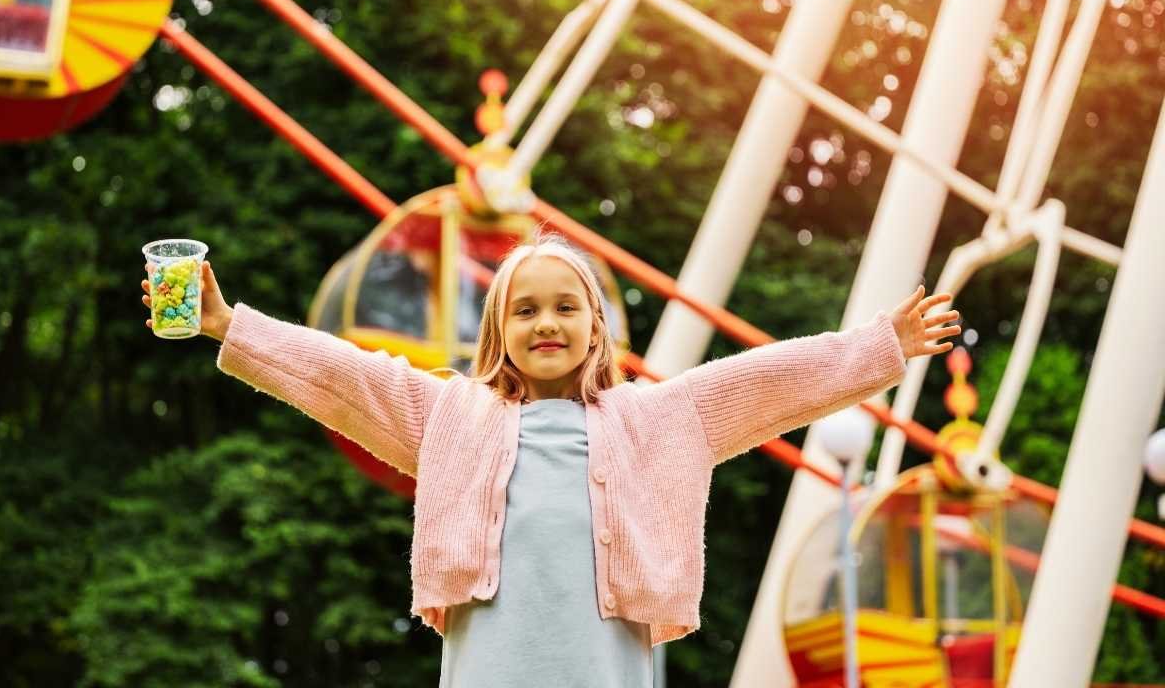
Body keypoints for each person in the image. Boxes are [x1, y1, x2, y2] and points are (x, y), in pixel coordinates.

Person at [140, 230, 960, 687]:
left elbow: (774, 379)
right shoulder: (450, 416)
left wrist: (880, 346)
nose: (547, 324)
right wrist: (227, 325)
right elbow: (341, 375)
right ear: (499, 332)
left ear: (596, 328)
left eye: (567, 307)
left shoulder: (661, 418)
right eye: (525, 309)